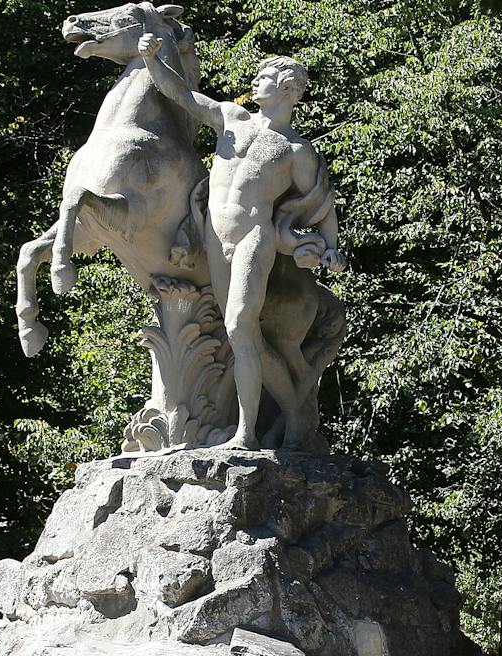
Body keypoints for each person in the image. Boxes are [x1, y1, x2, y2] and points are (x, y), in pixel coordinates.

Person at [138, 34, 346, 448]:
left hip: (254, 237)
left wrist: (331, 247)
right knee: (243, 338)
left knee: (239, 325)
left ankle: (246, 434)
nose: (255, 81)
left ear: (287, 88)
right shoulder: (233, 118)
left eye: (265, 77)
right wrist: (151, 58)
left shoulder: (296, 150)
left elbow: (322, 203)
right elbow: (180, 93)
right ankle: (294, 415)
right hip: (216, 239)